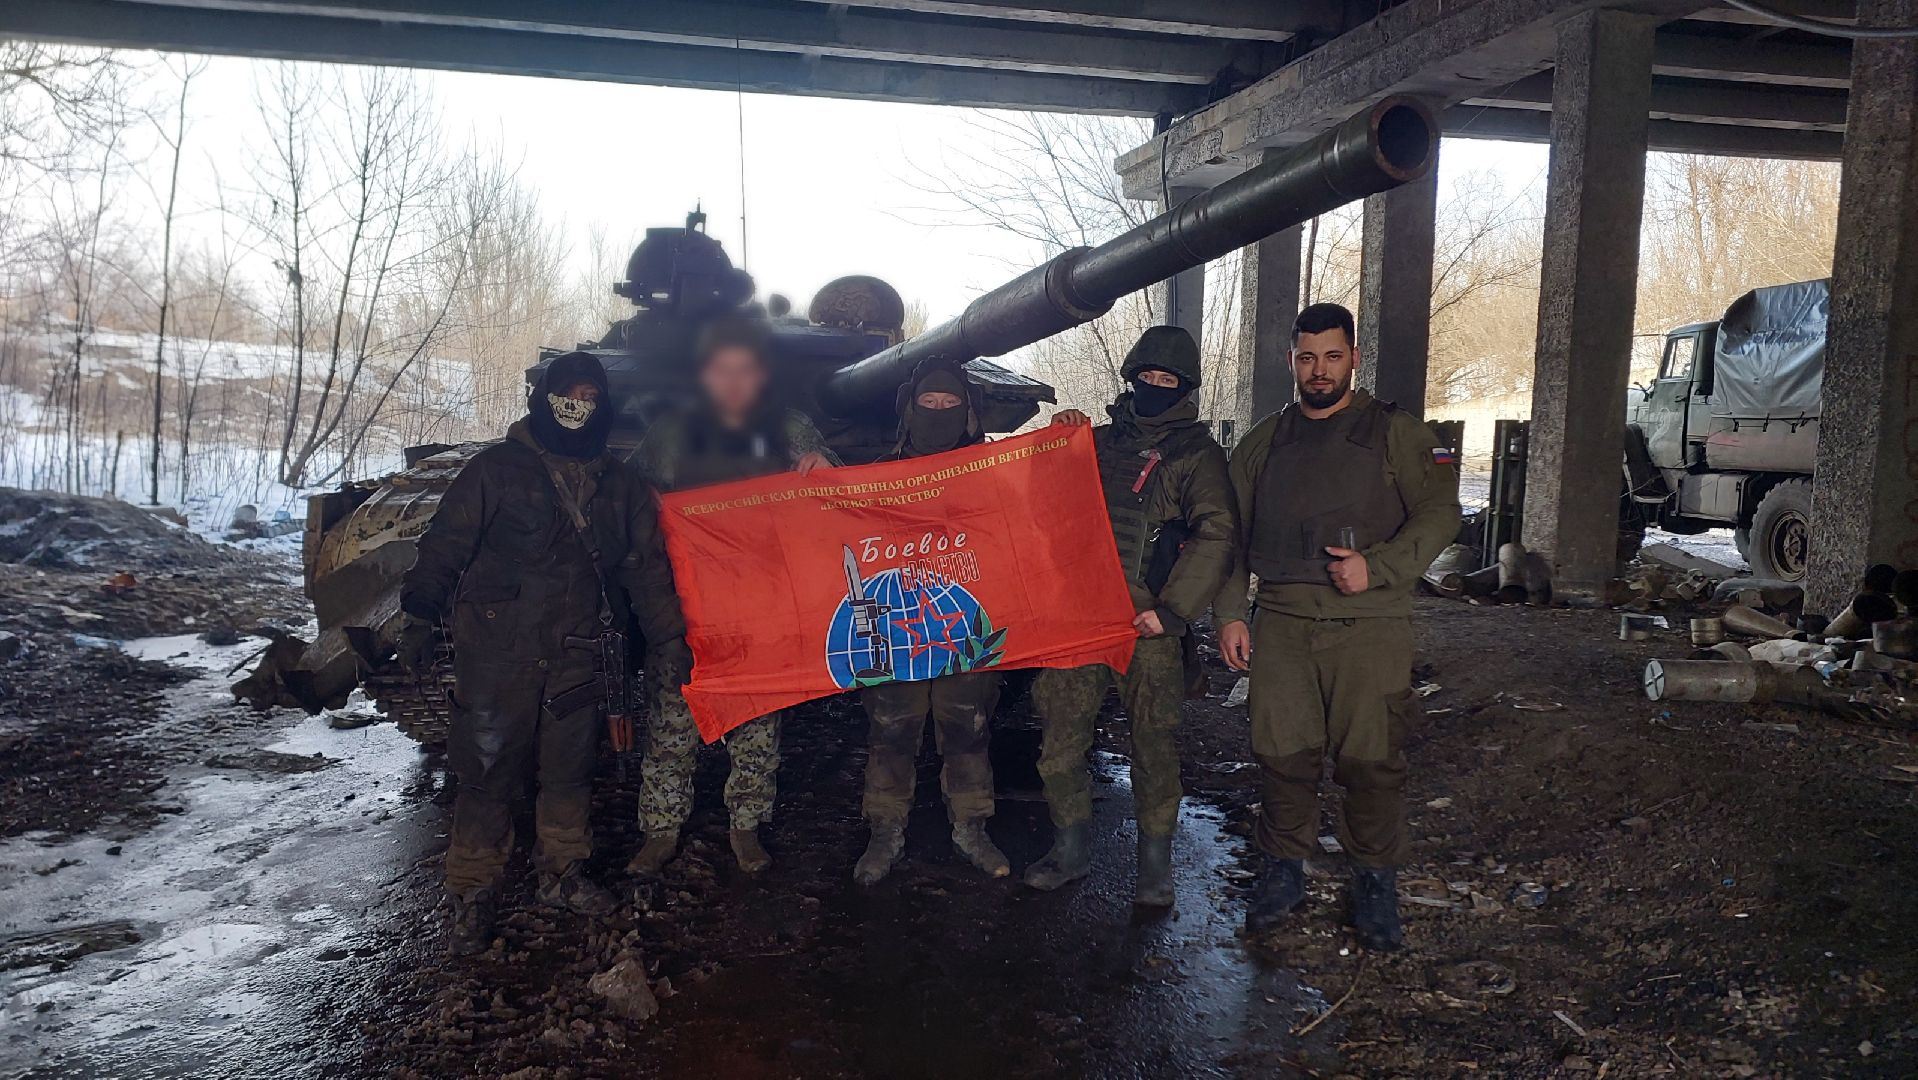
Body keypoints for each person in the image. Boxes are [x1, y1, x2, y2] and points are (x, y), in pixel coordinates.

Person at [398, 350, 689, 957]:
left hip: (580, 651)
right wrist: (420, 615)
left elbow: (646, 571)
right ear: (544, 397)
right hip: (498, 651)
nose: (577, 406)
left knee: (569, 771)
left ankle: (562, 874)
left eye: (590, 395)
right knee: (486, 773)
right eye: (567, 394)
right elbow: (445, 545)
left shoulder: (622, 485)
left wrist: (668, 638)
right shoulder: (496, 470)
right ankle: (474, 892)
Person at [1218, 302, 1460, 951]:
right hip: (1284, 624)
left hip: (1369, 622)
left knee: (1371, 759)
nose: (1317, 369)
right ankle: (1284, 870)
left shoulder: (1396, 433)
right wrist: (1232, 613)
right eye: (1306, 357)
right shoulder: (1265, 441)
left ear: (1353, 357)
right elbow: (1228, 532)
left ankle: (1373, 879)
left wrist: (1378, 567)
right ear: (1292, 361)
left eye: (1331, 355)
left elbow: (1441, 514)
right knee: (1281, 755)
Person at [1028, 325, 1238, 907]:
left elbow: (1217, 534)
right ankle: (1069, 850)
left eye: (1167, 381)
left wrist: (1172, 613)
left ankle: (1154, 867)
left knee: (1153, 744)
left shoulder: (1196, 455)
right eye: (1146, 377)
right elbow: (1043, 509)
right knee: (1060, 740)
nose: (1154, 387)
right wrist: (1055, 443)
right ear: (1130, 378)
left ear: (1185, 387)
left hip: (1149, 624)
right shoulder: (1091, 443)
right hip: (1080, 619)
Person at [626, 317, 836, 877]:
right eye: (724, 370)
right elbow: (631, 499)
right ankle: (660, 830)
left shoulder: (788, 428)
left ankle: (746, 826)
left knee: (757, 724)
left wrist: (822, 471)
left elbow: (830, 493)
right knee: (672, 724)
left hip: (761, 604)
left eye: (746, 370)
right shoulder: (671, 434)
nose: (735, 381)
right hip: (688, 605)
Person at [852, 357, 1008, 885]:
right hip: (898, 629)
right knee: (891, 731)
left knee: (967, 729)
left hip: (966, 628)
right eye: (928, 403)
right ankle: (885, 828)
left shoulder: (993, 472)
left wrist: (1064, 438)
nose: (939, 412)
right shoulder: (878, 475)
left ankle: (970, 824)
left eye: (950, 404)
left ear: (968, 413)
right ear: (909, 409)